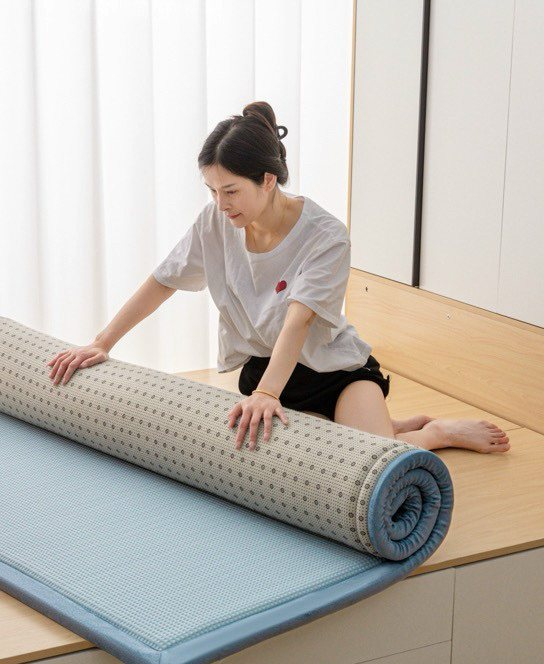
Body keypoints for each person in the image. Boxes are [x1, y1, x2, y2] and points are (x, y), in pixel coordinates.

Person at [48, 101, 510, 455]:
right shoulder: (215, 223)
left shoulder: (326, 235)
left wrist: (268, 394)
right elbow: (163, 281)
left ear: (268, 180)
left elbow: (299, 321)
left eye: (231, 190)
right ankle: (386, 424)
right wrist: (102, 342)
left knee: (371, 457)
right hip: (266, 368)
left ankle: (436, 433)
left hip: (334, 371)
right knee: (311, 458)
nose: (220, 204)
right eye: (212, 190)